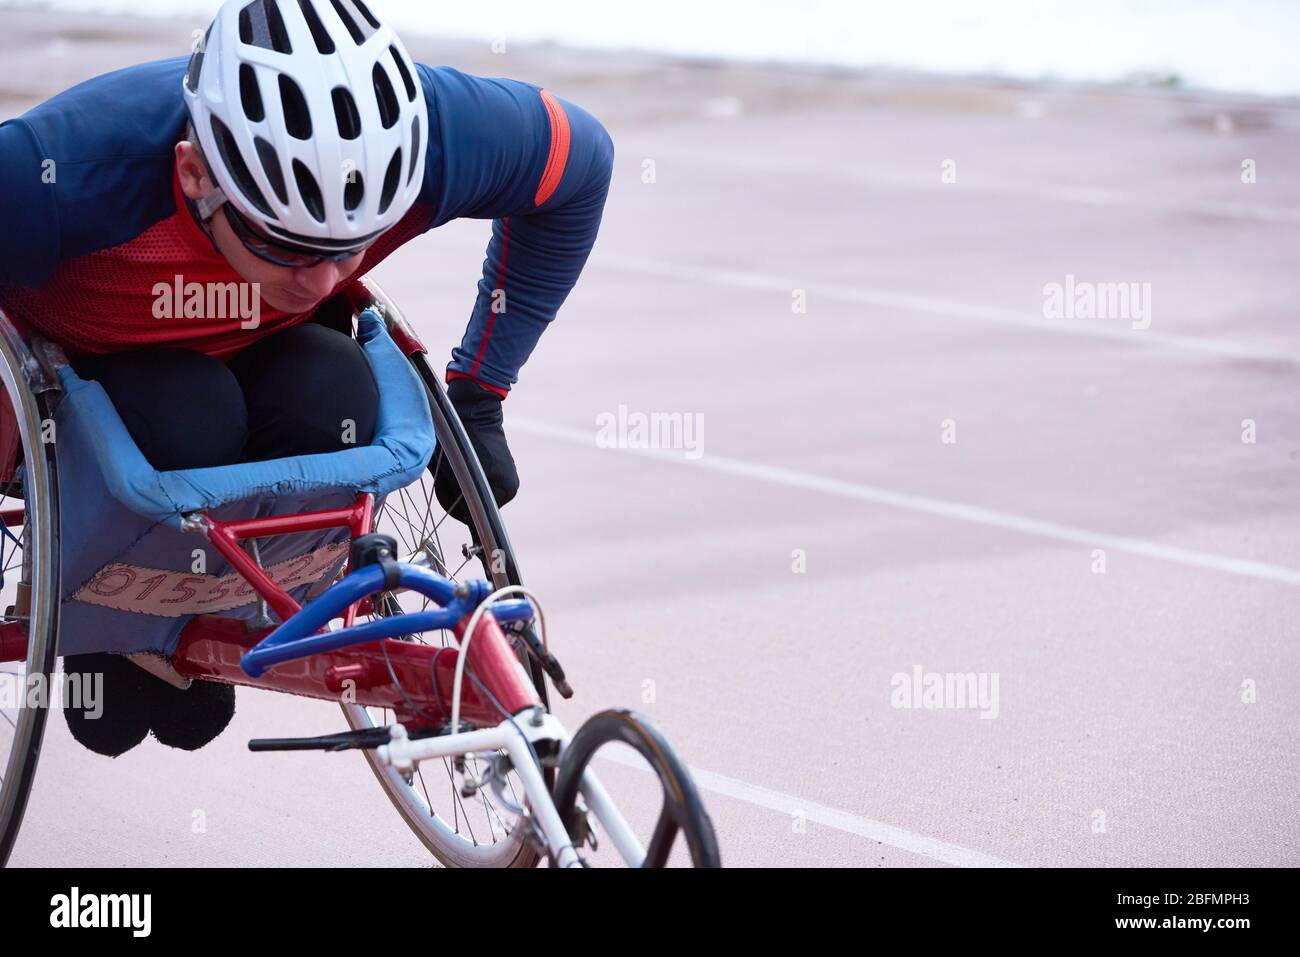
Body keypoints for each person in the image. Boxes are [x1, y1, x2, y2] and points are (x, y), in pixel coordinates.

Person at [0, 0, 614, 756]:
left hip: (277, 358)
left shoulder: (439, 139)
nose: (323, 279)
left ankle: (204, 599)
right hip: (94, 376)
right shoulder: (53, 174)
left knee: (339, 395)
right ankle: (118, 626)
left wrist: (481, 391)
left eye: (351, 246)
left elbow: (579, 165)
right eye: (288, 246)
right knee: (189, 412)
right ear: (196, 176)